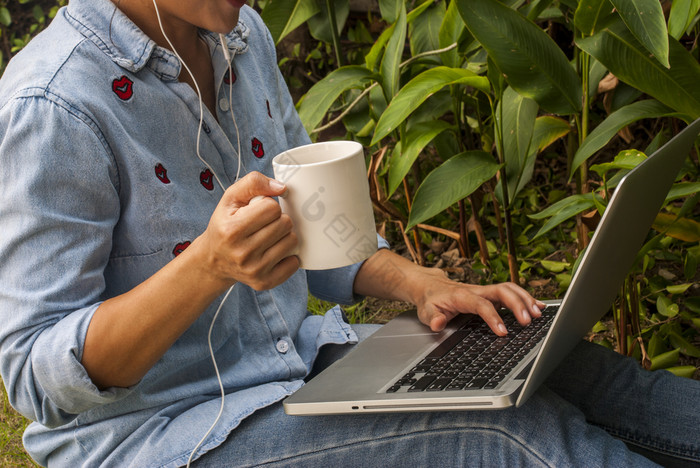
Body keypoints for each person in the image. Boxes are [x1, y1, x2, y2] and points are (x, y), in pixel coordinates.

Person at [0, 0, 697, 467]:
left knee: (548, 358)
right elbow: (36, 377)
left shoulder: (239, 36)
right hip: (165, 434)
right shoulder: (54, 105)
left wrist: (422, 283)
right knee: (503, 436)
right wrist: (207, 267)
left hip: (297, 367)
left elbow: (315, 238)